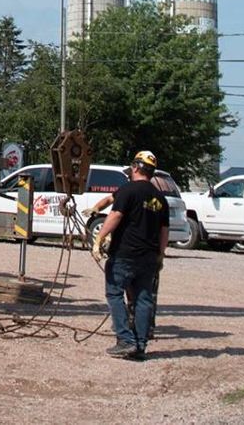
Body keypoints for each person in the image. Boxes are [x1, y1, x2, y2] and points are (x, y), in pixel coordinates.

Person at [91, 149, 168, 360]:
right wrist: (160, 255)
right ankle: (140, 346)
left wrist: (99, 238)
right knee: (143, 300)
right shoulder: (160, 198)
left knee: (114, 294)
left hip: (125, 255)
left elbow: (116, 215)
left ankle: (125, 340)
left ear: (135, 167)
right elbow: (164, 231)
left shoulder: (128, 190)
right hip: (149, 258)